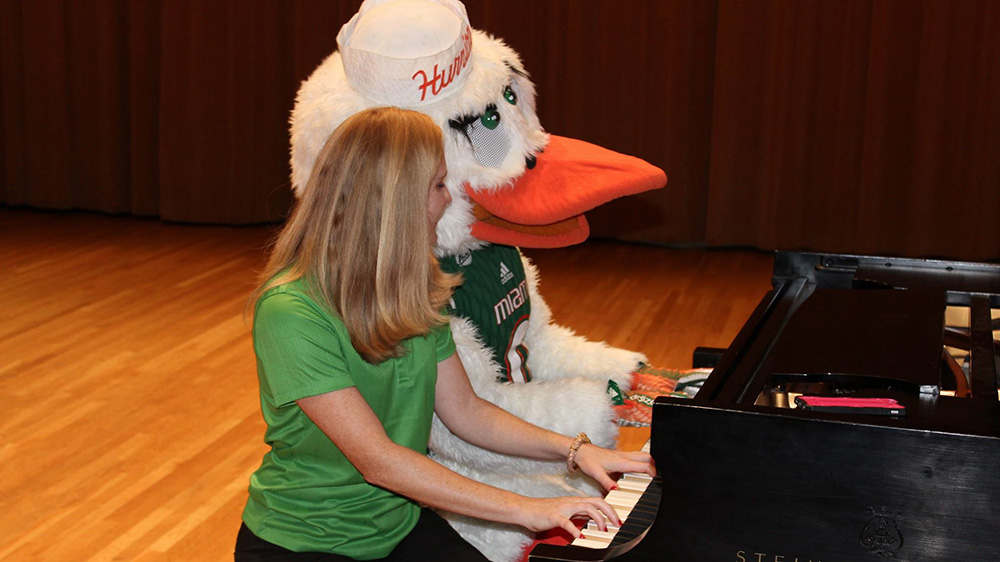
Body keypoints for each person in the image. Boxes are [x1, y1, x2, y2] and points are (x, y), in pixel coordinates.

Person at [235, 107, 655, 562]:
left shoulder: (412, 289)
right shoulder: (291, 312)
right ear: (395, 200)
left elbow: (467, 412)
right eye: (438, 185)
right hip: (303, 544)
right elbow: (379, 461)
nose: (449, 199)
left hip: (397, 527)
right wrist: (525, 509)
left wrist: (576, 451)